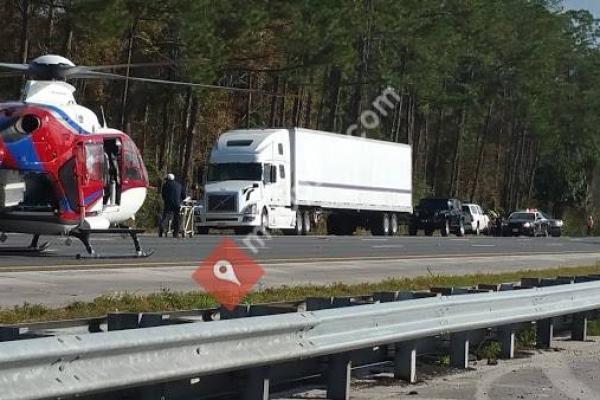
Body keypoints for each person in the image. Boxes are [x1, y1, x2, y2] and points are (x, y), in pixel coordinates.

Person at [159, 173, 185, 238]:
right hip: (177, 204)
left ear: (168, 179)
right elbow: (184, 196)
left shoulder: (165, 185)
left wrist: (166, 200)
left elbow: (163, 195)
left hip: (168, 203)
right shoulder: (179, 185)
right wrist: (180, 200)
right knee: (177, 218)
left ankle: (162, 225)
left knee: (166, 216)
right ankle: (175, 233)